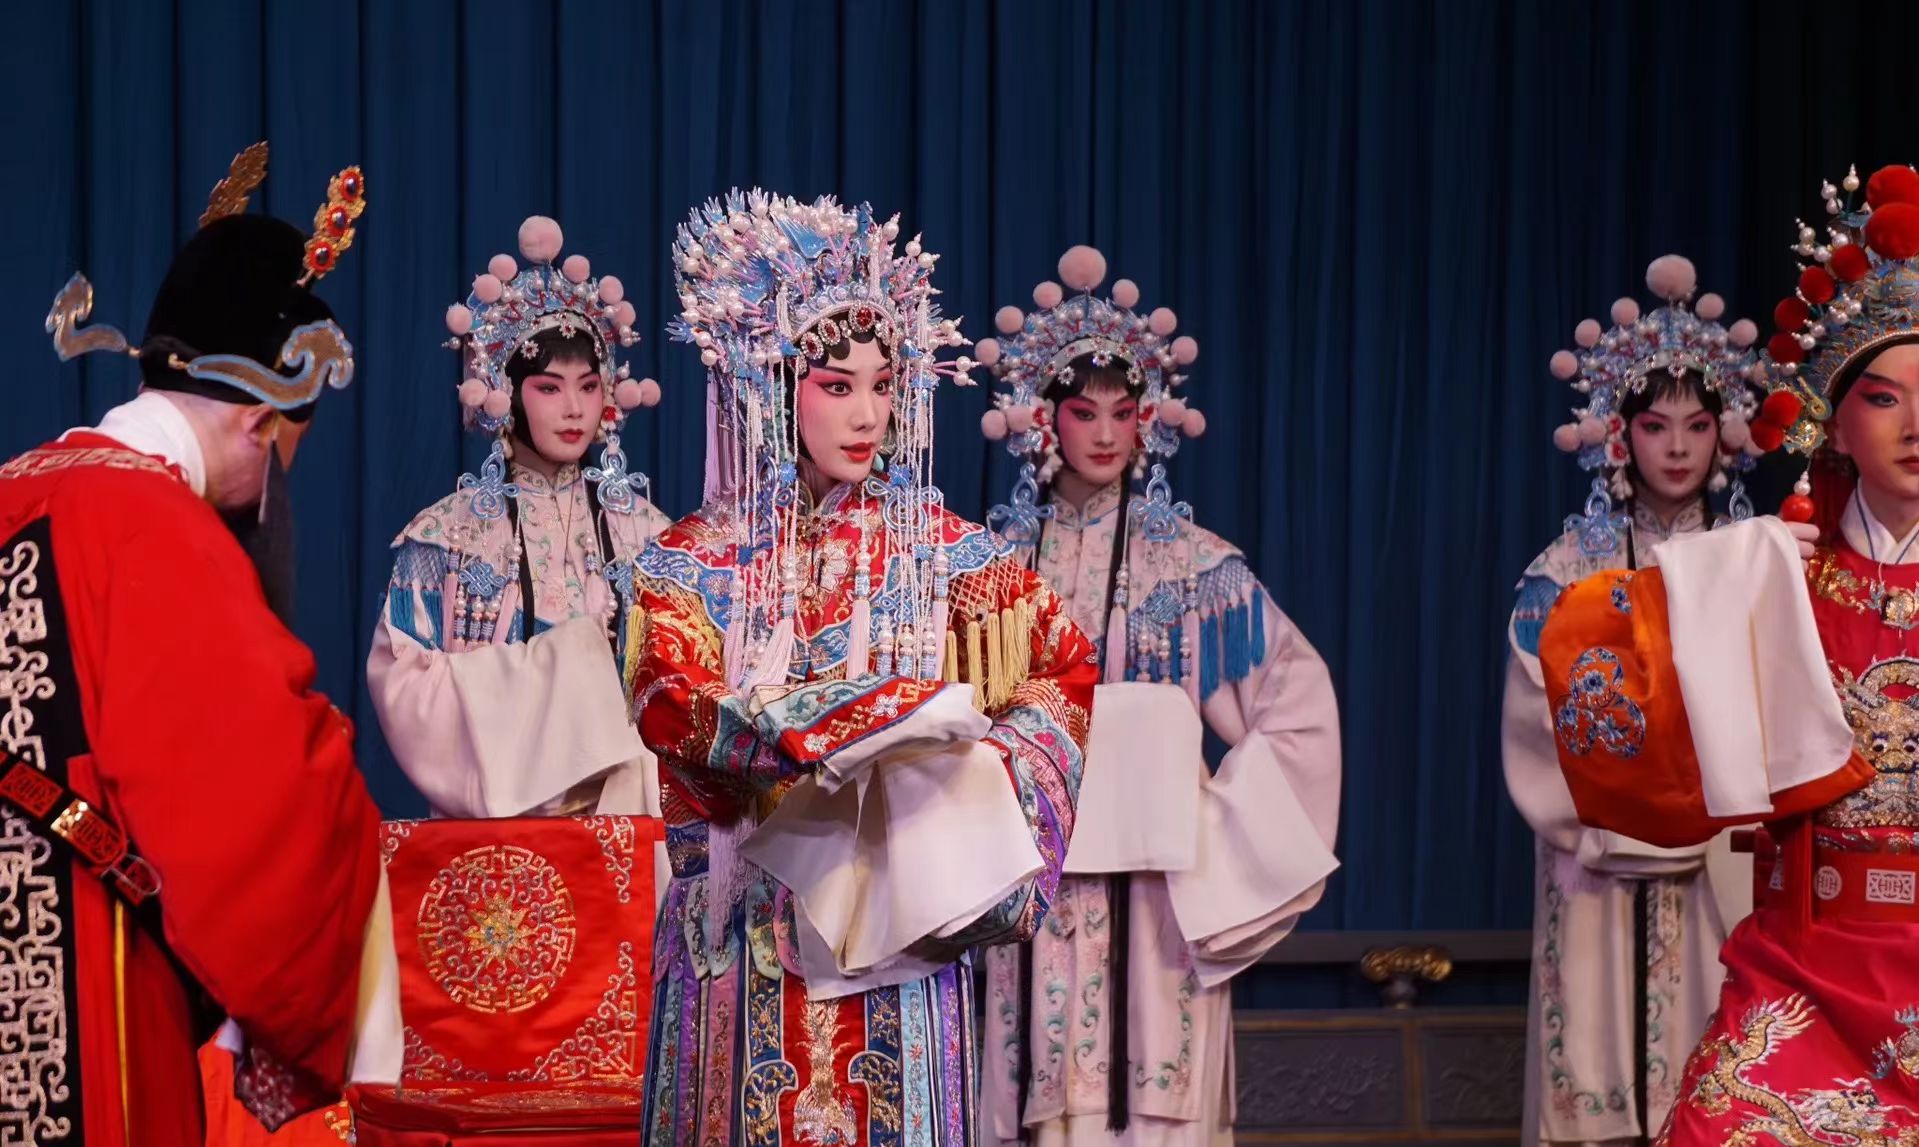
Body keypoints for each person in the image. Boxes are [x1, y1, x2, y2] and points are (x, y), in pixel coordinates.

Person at [630, 190, 1098, 1147]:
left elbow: (1062, 669)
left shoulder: (949, 555)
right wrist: (832, 734)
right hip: (746, 921)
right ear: (771, 385)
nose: (867, 413)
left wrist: (960, 778)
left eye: (883, 385)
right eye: (836, 384)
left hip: (900, 916)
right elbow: (668, 697)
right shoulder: (691, 561)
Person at [1, 143, 382, 1147]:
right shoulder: (151, 524)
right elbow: (259, 807)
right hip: (74, 967)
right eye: (291, 447)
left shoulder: (17, 487)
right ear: (259, 416)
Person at [1541, 163, 1919, 1143]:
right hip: (1805, 959)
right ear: (1831, 418)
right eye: (1883, 397)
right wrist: (1705, 590)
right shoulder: (1773, 575)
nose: (1914, 426)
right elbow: (1604, 708)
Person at [972, 247, 1342, 1146]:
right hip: (1039, 890)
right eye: (1081, 410)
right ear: (1041, 420)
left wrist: (1211, 819)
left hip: (1159, 904)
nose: (1104, 433)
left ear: (1150, 421)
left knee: (1157, 1099)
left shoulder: (1196, 567)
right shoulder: (991, 566)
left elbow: (1296, 706)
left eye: (1124, 412)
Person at [1503, 255, 1767, 1144]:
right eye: (1657, 426)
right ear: (1620, 436)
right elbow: (1535, 717)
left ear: (1724, 435)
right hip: (1596, 864)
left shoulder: (1757, 563)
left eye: (1697, 425)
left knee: (1717, 1081)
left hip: (1719, 868)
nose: (1680, 447)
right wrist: (1619, 808)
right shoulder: (1563, 572)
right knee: (1594, 1075)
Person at [367, 215, 670, 830]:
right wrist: (569, 665)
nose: (575, 408)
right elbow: (406, 689)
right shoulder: (445, 535)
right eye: (549, 388)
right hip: (494, 834)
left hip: (628, 828)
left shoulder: (648, 533)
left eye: (588, 386)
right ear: (504, 393)